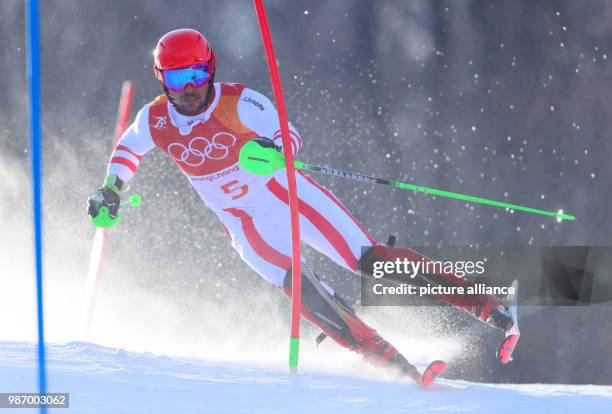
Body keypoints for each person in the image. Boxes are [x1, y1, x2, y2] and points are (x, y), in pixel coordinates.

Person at [87, 28, 515, 384]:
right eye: (178, 80)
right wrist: (111, 189)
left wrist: (275, 151)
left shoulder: (239, 102)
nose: (190, 89)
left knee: (366, 261)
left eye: (197, 75)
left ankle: (489, 308)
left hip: (287, 197)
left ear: (211, 68)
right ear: (162, 80)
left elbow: (286, 133)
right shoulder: (156, 118)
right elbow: (129, 150)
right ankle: (398, 367)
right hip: (243, 222)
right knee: (303, 291)